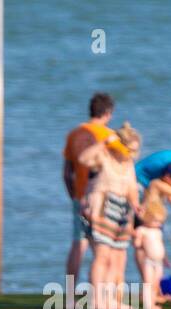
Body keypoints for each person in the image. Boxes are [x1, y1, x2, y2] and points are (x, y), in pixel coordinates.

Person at [62, 92, 129, 285]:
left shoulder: (74, 134)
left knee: (78, 245)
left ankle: (70, 294)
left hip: (79, 196)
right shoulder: (109, 136)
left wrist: (75, 197)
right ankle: (101, 295)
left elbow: (67, 173)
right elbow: (122, 166)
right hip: (103, 199)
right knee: (103, 249)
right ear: (108, 112)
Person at [80, 122, 142, 309]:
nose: (132, 154)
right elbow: (83, 159)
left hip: (122, 212)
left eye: (135, 151)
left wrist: (136, 205)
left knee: (117, 260)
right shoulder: (103, 156)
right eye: (129, 149)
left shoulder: (128, 163)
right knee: (102, 256)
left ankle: (112, 300)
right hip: (101, 208)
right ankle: (97, 300)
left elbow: (132, 187)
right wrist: (105, 143)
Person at [133, 162, 171, 309]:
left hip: (155, 223)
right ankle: (148, 298)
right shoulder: (157, 184)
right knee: (145, 263)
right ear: (167, 177)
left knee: (156, 269)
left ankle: (152, 295)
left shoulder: (165, 190)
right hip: (145, 222)